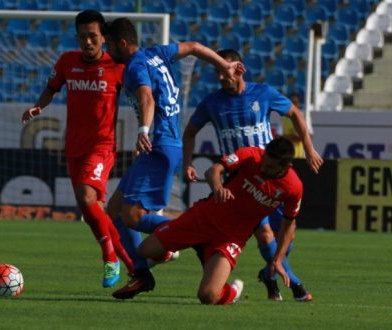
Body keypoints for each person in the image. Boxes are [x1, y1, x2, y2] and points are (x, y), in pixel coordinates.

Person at [103, 17, 245, 299]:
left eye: (108, 44)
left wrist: (144, 129)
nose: (107, 51)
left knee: (131, 216)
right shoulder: (156, 53)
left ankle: (189, 235)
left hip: (158, 144)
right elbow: (193, 46)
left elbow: (147, 98)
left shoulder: (135, 66)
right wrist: (223, 64)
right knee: (114, 209)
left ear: (121, 43)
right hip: (166, 144)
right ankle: (141, 273)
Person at [182, 49, 323, 302]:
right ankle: (297, 286)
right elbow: (190, 131)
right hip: (239, 181)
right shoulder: (212, 102)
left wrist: (310, 148)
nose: (221, 78)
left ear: (239, 69)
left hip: (271, 174)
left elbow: (295, 114)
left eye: (224, 71)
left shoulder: (263, 93)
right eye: (217, 72)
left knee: (285, 238)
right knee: (264, 234)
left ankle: (269, 273)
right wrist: (187, 163)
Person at [21, 10, 134, 288]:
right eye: (82, 37)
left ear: (103, 37)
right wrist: (39, 105)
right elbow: (51, 87)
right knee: (93, 209)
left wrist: (147, 127)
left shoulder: (116, 66)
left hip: (102, 145)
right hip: (73, 146)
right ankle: (134, 266)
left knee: (86, 197)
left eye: (93, 37)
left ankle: (109, 258)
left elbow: (140, 94)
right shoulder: (66, 61)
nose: (88, 42)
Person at [139, 137, 303, 304]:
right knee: (143, 251)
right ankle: (168, 250)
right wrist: (218, 187)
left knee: (208, 296)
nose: (262, 167)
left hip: (231, 237)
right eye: (263, 161)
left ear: (286, 167)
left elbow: (289, 224)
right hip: (202, 218)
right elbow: (213, 171)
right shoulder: (251, 154)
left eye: (269, 167)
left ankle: (233, 291)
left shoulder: (294, 187)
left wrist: (278, 259)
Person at [278, 92, 306, 159]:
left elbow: (304, 136)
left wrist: (289, 137)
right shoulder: (282, 117)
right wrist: (294, 137)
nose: (294, 105)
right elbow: (279, 136)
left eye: (295, 102)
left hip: (300, 155)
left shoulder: (304, 117)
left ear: (299, 103)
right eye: (292, 102)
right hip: (286, 154)